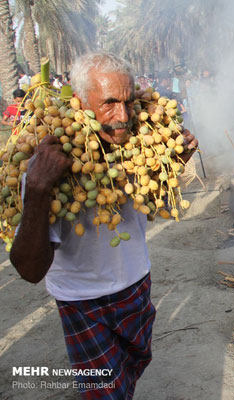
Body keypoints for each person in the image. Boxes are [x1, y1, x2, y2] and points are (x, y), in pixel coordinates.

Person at [9, 52, 198, 398]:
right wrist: (37, 190)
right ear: (79, 103)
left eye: (127, 102)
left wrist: (171, 168)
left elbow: (149, 206)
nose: (122, 117)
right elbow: (29, 270)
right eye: (109, 103)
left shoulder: (141, 145)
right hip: (83, 301)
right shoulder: (46, 165)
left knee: (130, 374)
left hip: (137, 285)